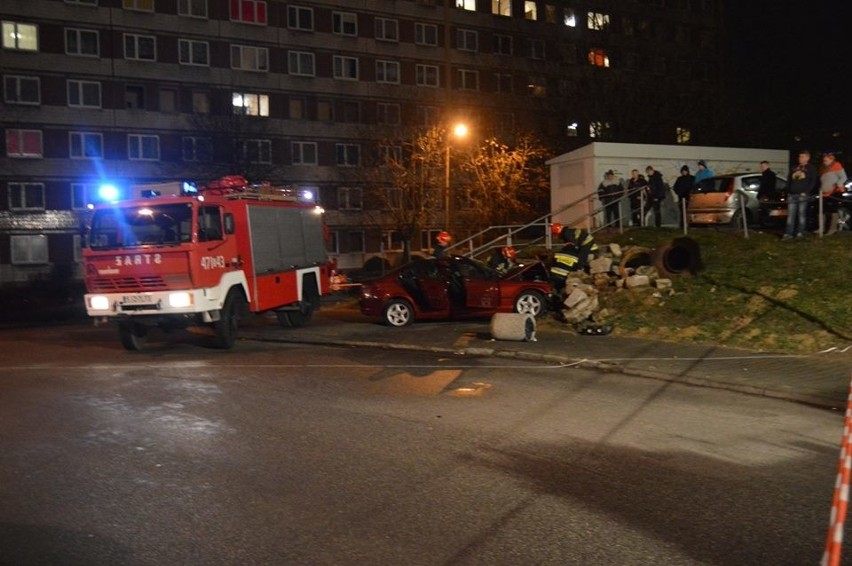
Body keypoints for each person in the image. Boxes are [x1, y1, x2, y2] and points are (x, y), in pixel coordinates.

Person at [783, 150, 818, 239]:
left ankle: (800, 232)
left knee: (801, 214)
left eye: (802, 157)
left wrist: (806, 192)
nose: (800, 158)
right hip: (792, 194)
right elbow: (789, 180)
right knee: (790, 215)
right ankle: (788, 233)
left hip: (803, 195)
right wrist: (788, 191)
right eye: (799, 157)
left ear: (807, 158)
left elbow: (813, 181)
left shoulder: (811, 168)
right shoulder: (794, 167)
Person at [819, 152, 848, 235]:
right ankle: (822, 228)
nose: (824, 160)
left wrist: (837, 184)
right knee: (822, 211)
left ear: (831, 159)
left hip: (833, 193)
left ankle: (832, 229)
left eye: (826, 159)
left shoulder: (836, 165)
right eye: (824, 159)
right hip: (824, 193)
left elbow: (843, 177)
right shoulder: (823, 168)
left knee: (832, 211)